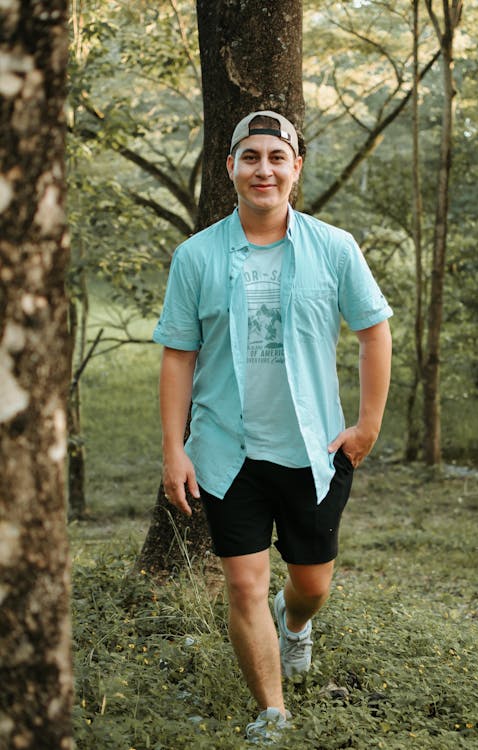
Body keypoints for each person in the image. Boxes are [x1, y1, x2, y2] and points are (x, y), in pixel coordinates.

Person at [153, 110, 392, 743]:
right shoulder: (196, 256)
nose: (264, 169)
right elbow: (178, 355)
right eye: (250, 157)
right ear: (229, 166)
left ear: (295, 170)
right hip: (227, 452)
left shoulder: (335, 248)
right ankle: (272, 710)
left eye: (276, 158)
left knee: (311, 585)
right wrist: (174, 450)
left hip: (314, 451)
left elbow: (375, 332)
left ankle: (295, 622)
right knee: (243, 581)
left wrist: (366, 425)